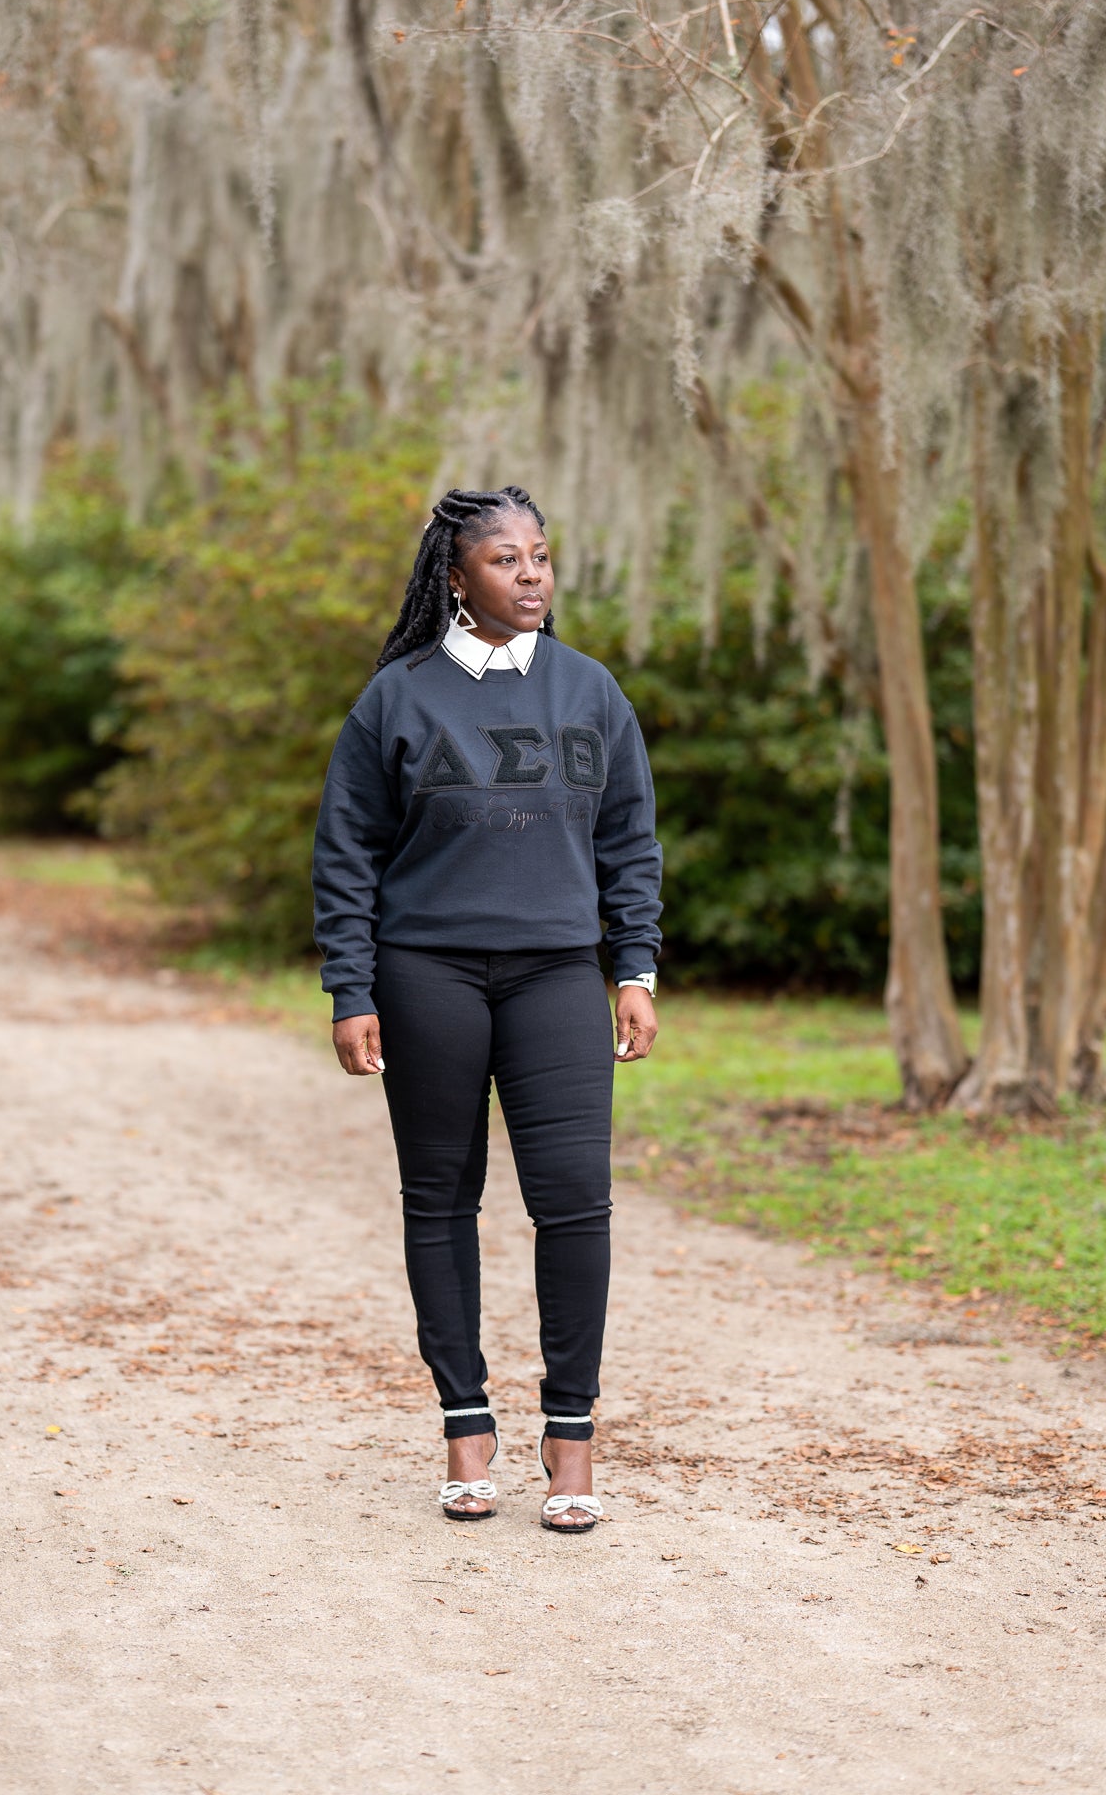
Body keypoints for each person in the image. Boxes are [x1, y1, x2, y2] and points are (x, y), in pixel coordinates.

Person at [312, 485, 663, 1532]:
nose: (531, 576)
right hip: (427, 972)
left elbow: (629, 840)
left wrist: (633, 966)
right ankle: (465, 1422)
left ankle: (570, 1430)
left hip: (557, 971)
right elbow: (347, 852)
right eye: (506, 560)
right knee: (440, 1196)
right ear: (455, 577)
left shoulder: (590, 692)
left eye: (541, 557)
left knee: (574, 1200)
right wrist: (352, 984)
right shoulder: (397, 698)